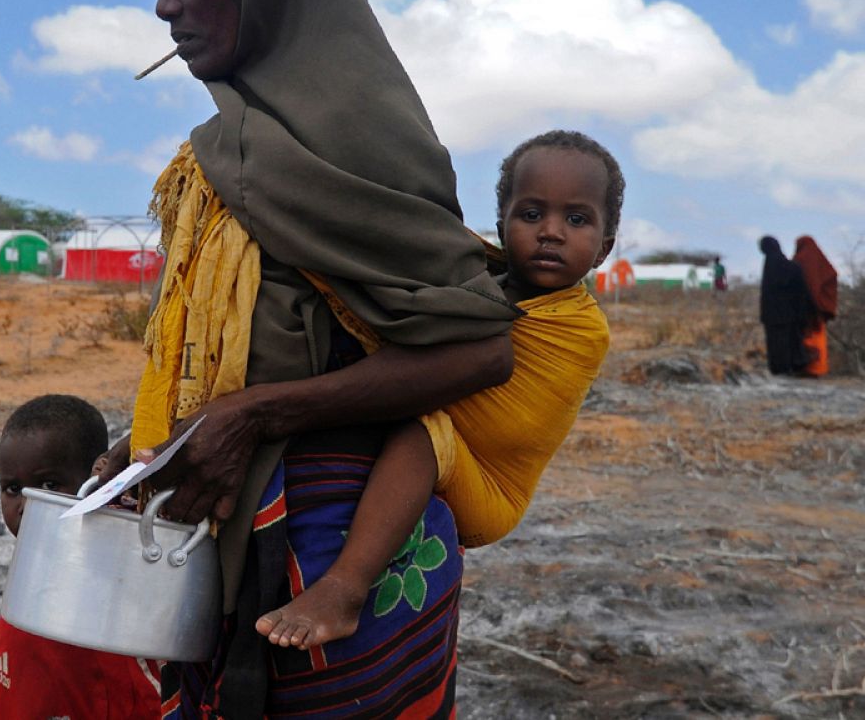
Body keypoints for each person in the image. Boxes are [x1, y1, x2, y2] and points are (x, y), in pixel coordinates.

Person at [92, 0, 520, 718]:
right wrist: (142, 452)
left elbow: (481, 346)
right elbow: (229, 353)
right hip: (225, 545)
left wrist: (256, 417)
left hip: (340, 562)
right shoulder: (219, 150)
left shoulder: (362, 133)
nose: (164, 7)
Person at [255, 130, 620, 650]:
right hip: (451, 445)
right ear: (500, 226)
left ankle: (344, 588)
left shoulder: (579, 329)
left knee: (422, 431)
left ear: (604, 249)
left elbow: (498, 415)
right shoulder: (474, 286)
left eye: (577, 220)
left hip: (491, 484)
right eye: (532, 215)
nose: (552, 233)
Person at [0, 395, 162, 720]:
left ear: (97, 477)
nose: (28, 503)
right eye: (12, 489)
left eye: (49, 485)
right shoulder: (30, 562)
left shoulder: (121, 544)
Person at [759, 236, 811, 376]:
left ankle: (780, 368)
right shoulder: (790, 266)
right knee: (789, 340)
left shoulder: (772, 265)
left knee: (777, 342)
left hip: (774, 314)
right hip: (789, 313)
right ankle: (791, 366)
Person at [792, 236, 838, 378]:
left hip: (802, 307)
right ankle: (817, 369)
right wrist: (823, 300)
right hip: (817, 309)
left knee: (803, 337)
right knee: (817, 337)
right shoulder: (821, 261)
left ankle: (805, 367)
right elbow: (832, 274)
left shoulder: (799, 259)